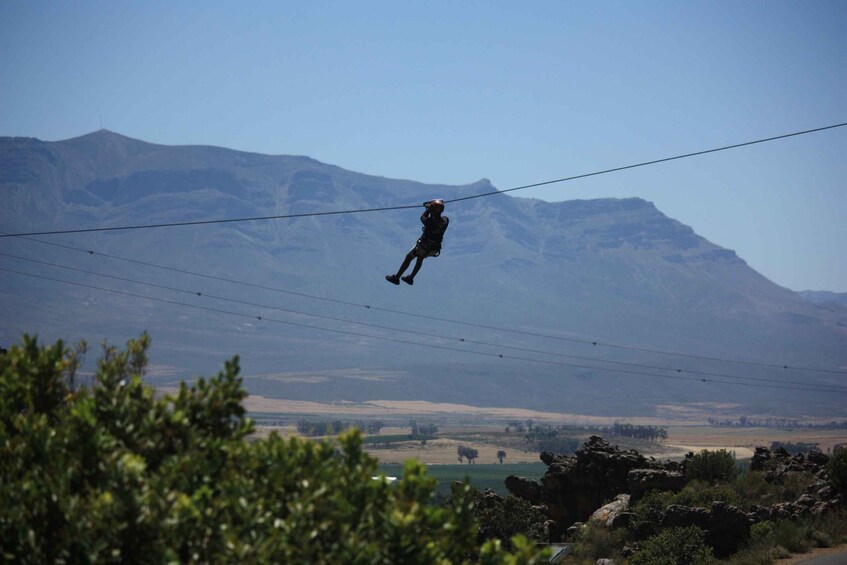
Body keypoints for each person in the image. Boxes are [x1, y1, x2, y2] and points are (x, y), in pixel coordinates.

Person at [385, 199, 449, 286]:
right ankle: (410, 278)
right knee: (420, 258)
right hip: (434, 249)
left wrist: (428, 208)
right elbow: (437, 216)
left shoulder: (428, 222)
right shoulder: (445, 221)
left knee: (409, 257)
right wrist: (434, 205)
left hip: (423, 247)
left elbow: (423, 217)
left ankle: (396, 278)